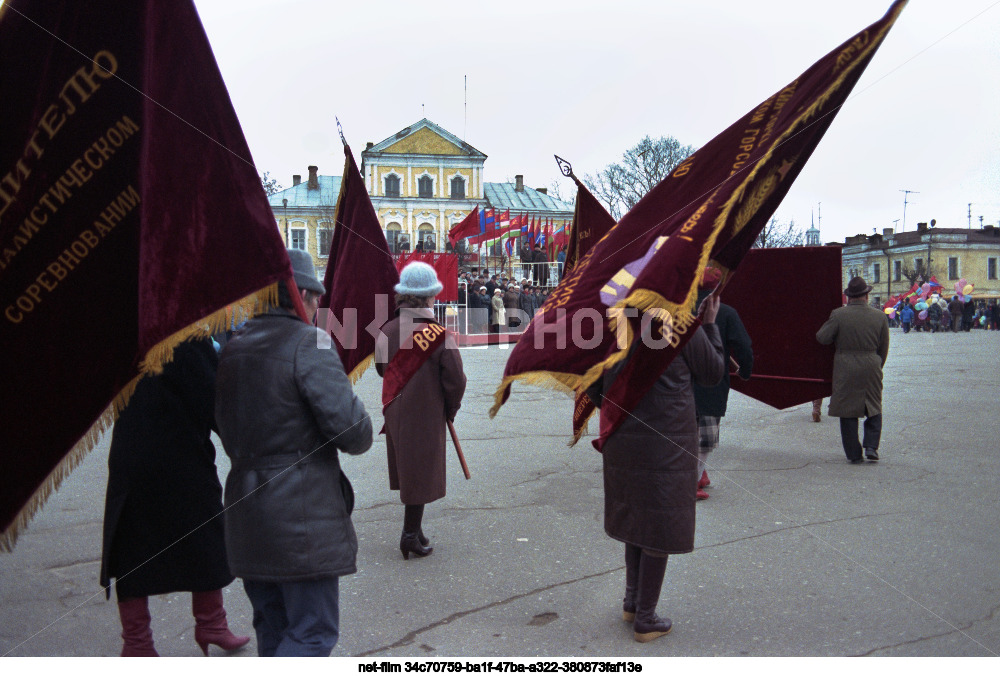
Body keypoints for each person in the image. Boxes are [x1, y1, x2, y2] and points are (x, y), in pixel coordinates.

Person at [214, 248, 373, 656]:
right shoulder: (309, 343)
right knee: (311, 634)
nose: (320, 304)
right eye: (315, 296)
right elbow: (355, 434)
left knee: (273, 627)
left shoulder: (234, 348)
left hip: (247, 514)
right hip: (301, 519)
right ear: (297, 293)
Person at [587, 295, 724, 643]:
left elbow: (590, 385)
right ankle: (645, 618)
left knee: (637, 515)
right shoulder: (680, 324)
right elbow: (713, 373)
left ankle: (633, 602)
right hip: (667, 439)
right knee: (660, 521)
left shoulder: (614, 324)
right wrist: (708, 324)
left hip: (622, 437)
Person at [100, 338, 249, 657]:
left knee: (134, 546)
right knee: (204, 534)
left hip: (131, 454)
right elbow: (213, 402)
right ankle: (209, 624)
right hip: (181, 456)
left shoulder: (122, 336)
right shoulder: (185, 338)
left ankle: (139, 642)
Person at [375, 262, 467, 560]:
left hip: (395, 409)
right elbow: (456, 380)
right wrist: (449, 409)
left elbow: (380, 369)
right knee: (420, 472)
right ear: (428, 297)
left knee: (411, 470)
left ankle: (416, 529)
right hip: (425, 412)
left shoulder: (386, 329)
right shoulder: (438, 334)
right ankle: (410, 535)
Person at [692, 268, 753, 499]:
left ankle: (699, 473)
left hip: (679, 384)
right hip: (712, 384)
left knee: (683, 431)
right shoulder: (726, 313)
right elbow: (744, 348)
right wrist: (746, 372)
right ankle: (692, 482)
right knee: (705, 437)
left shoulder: (677, 311)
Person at [816, 276, 890, 464]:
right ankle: (871, 446)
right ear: (866, 295)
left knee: (848, 410)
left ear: (849, 297)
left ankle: (853, 453)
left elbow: (822, 338)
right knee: (873, 406)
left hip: (845, 365)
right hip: (872, 363)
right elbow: (884, 347)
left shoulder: (838, 314)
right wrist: (876, 364)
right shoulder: (880, 316)